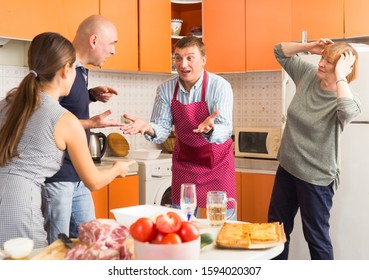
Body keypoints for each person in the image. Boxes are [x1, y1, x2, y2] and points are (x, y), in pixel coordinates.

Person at [0, 32, 133, 249]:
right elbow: (94, 181)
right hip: (21, 207)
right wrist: (118, 167)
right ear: (66, 70)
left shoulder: (7, 103)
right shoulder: (64, 120)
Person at [120, 36, 236, 216]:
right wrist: (148, 127)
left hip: (217, 165)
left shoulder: (220, 87)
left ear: (203, 59)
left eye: (190, 57)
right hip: (185, 163)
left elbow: (226, 128)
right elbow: (162, 128)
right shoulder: (166, 89)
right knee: (182, 222)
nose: (183, 64)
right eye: (178, 57)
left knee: (222, 224)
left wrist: (211, 129)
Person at [268, 38, 361, 260]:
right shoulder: (308, 75)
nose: (321, 64)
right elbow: (279, 51)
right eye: (322, 58)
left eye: (329, 62)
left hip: (316, 178)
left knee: (316, 238)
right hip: (288, 169)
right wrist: (308, 47)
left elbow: (348, 113)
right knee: (276, 231)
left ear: (342, 68)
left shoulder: (346, 97)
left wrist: (340, 75)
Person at [44, 15, 125, 243]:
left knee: (90, 242)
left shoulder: (78, 71)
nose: (113, 51)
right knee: (58, 247)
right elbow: (47, 121)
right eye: (112, 44)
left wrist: (89, 96)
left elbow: (64, 108)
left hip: (78, 173)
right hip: (58, 176)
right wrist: (92, 124)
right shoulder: (62, 67)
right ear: (94, 40)